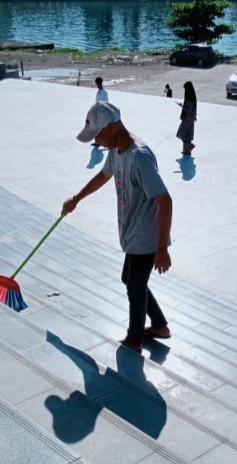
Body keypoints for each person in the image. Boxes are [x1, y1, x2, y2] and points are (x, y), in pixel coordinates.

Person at [62, 101, 172, 353]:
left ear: (112, 127)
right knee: (130, 279)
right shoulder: (116, 150)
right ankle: (159, 325)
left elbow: (165, 200)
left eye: (98, 135)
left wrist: (162, 247)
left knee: (135, 285)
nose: (97, 142)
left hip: (146, 237)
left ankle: (134, 340)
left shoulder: (140, 157)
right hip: (132, 234)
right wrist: (76, 199)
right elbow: (103, 176)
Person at [176, 81, 197, 155]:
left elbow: (189, 109)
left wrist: (182, 106)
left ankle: (188, 147)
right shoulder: (192, 97)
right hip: (189, 119)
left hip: (187, 119)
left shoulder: (189, 99)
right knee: (186, 135)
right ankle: (186, 150)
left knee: (184, 134)